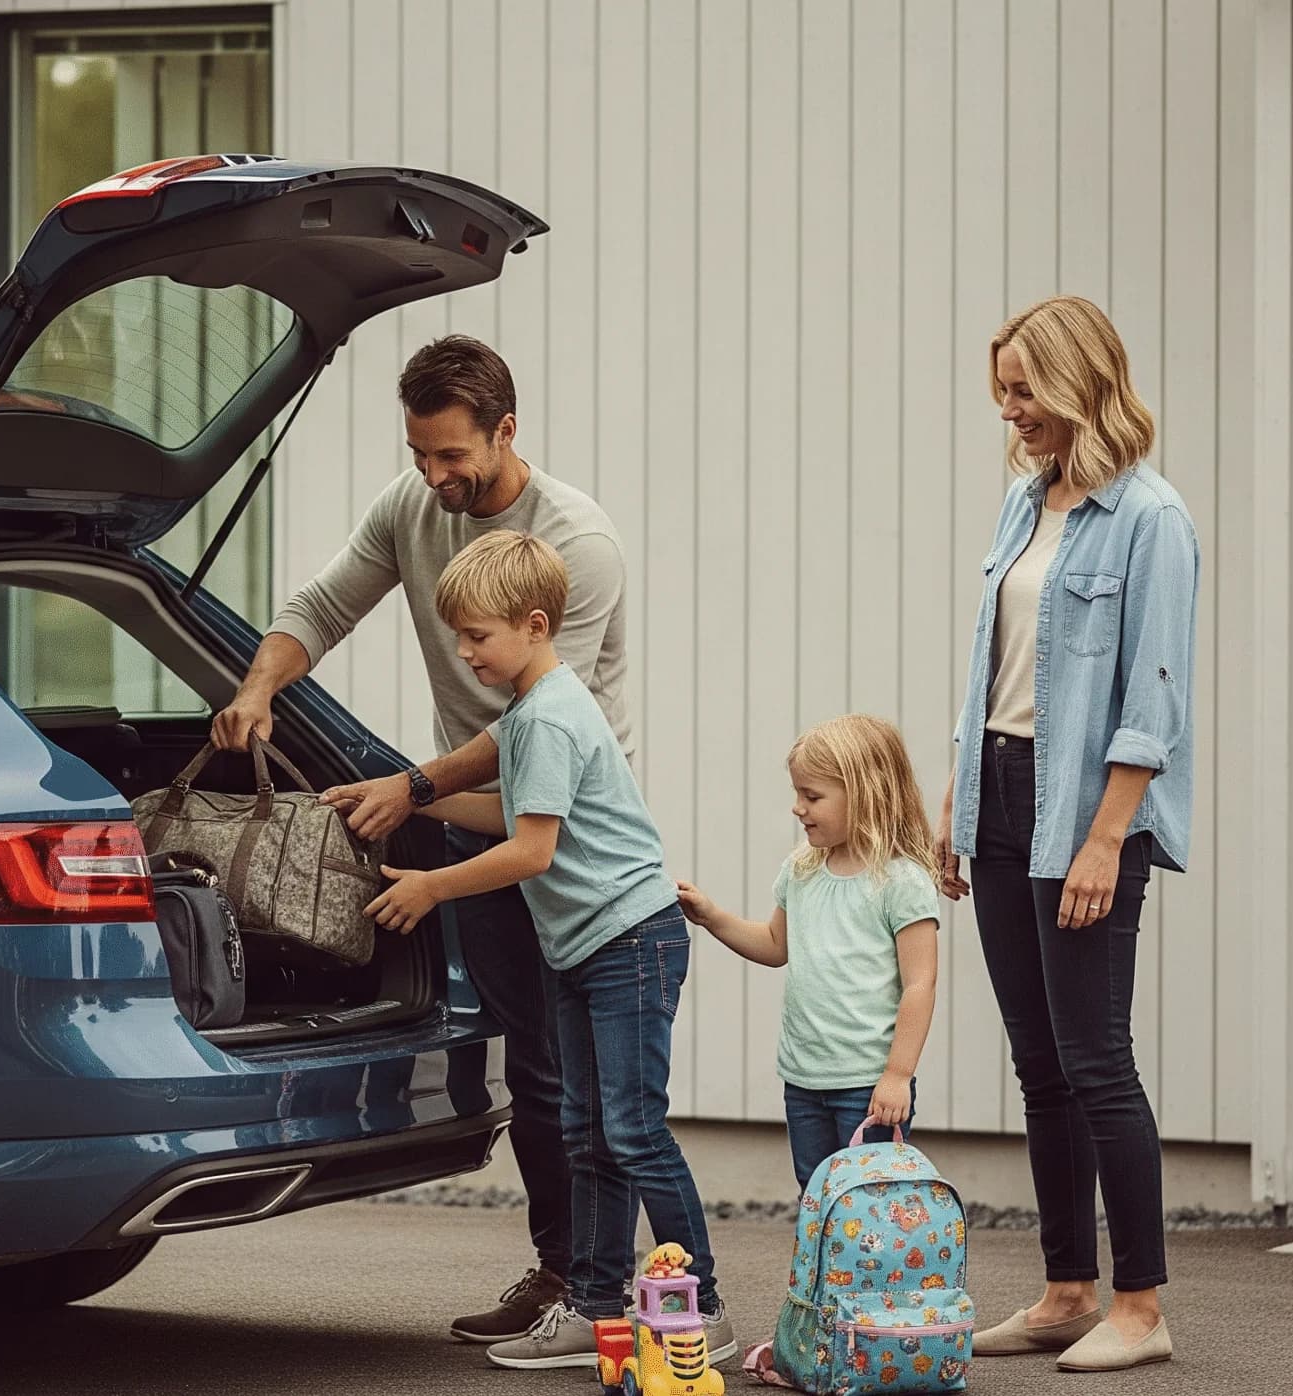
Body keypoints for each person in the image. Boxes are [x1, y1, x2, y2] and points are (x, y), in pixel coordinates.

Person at [208, 336, 632, 1345]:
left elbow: (534, 725)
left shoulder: (577, 543)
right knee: (530, 1065)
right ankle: (561, 1272)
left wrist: (410, 787)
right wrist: (260, 683)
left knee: (583, 1075)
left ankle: (614, 1288)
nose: (435, 477)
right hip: (469, 820)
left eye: (453, 456)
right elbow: (322, 605)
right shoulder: (412, 506)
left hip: (562, 832)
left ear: (506, 432)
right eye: (420, 454)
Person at [363, 530, 735, 1372]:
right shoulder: (531, 711)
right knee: (587, 1131)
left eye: (478, 635)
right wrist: (418, 806)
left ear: (535, 625)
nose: (464, 651)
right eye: (457, 634)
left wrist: (432, 888)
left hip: (630, 941)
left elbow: (533, 851)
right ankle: (594, 1307)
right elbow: (509, 810)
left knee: (633, 1131)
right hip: (583, 947)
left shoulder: (555, 717)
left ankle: (704, 1306)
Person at [938, 296, 1196, 1373]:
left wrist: (1105, 836)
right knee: (1038, 1063)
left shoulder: (1151, 518)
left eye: (1022, 390)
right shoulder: (1020, 502)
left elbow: (1155, 694)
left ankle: (1139, 1306)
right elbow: (989, 672)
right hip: (999, 789)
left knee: (1096, 1060)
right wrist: (956, 811)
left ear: (1080, 379)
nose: (1009, 412)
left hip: (1084, 805)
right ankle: (1063, 1290)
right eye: (1001, 392)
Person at [673, 714, 942, 1189]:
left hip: (868, 1083)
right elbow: (777, 946)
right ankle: (825, 1268)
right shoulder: (801, 870)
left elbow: (920, 983)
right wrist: (711, 917)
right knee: (817, 1195)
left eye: (812, 796)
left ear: (865, 793)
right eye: (797, 793)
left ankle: (868, 1271)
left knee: (870, 1203)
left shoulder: (901, 882)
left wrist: (898, 1074)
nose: (798, 808)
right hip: (804, 1080)